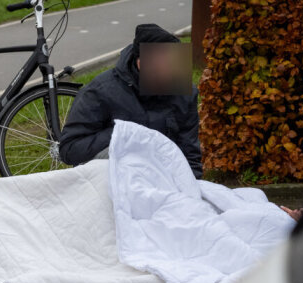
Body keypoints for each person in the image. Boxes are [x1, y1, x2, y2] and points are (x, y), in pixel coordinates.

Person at [59, 24, 203, 178]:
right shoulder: (100, 91)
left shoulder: (183, 92)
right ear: (140, 63)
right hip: (112, 176)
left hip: (162, 176)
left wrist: (192, 185)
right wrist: (120, 133)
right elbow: (69, 150)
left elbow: (190, 152)